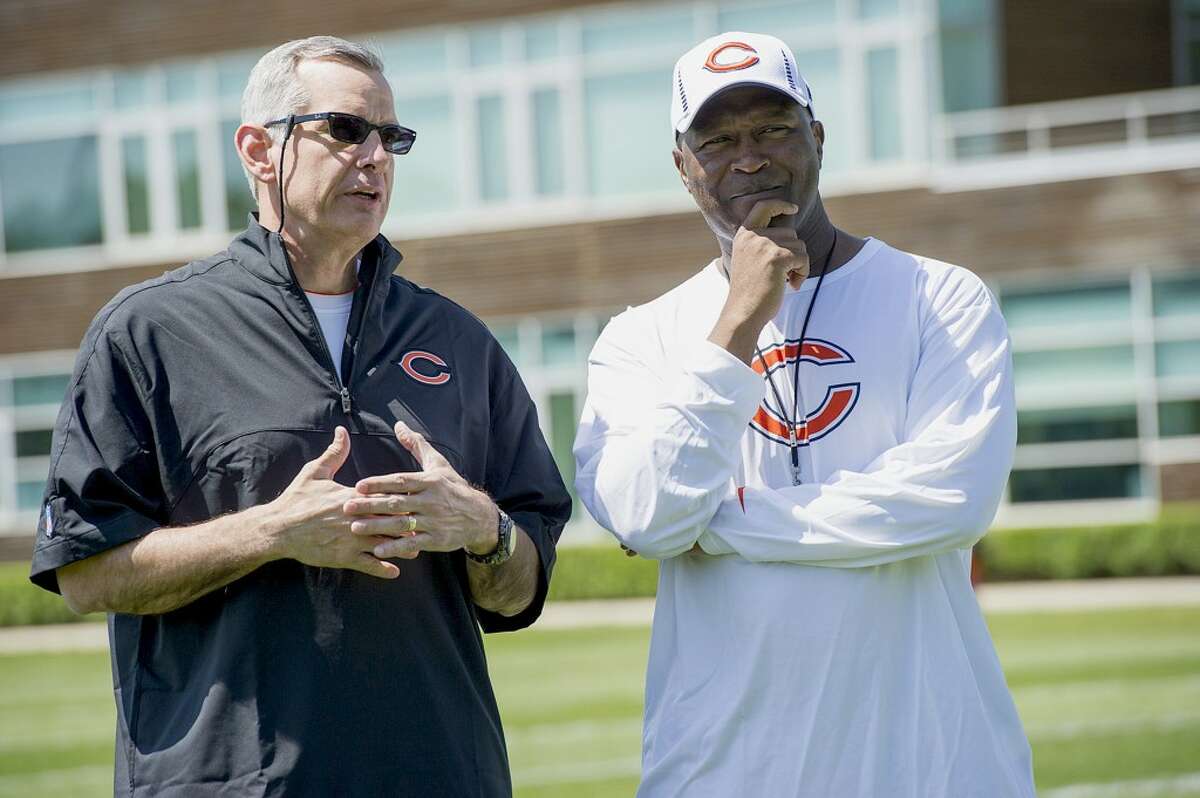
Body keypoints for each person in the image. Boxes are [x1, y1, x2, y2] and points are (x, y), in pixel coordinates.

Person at [29, 36, 570, 797]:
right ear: (259, 149)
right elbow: (85, 573)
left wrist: (484, 528)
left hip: (443, 775)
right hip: (232, 783)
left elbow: (521, 587)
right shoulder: (149, 333)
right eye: (346, 130)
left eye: (393, 138)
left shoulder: (461, 343)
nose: (375, 157)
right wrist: (272, 533)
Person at [574, 31, 1036, 797]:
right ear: (684, 168)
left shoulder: (941, 298)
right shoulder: (639, 339)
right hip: (724, 770)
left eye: (773, 129)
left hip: (931, 762)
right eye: (717, 139)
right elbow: (648, 519)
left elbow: (950, 502)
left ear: (817, 137)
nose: (748, 157)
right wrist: (737, 324)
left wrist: (716, 526)